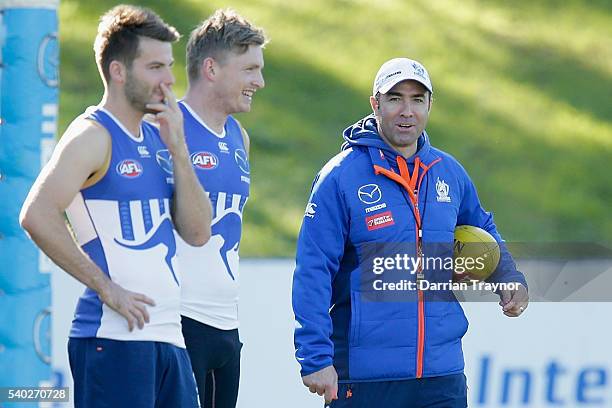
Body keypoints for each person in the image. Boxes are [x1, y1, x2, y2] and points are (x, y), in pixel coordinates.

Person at [292, 58, 529, 407]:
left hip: (441, 375)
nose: (407, 111)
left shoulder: (449, 172)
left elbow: (483, 228)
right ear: (375, 104)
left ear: (430, 105)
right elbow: (313, 270)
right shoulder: (340, 177)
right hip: (365, 376)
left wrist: (508, 277)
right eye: (395, 99)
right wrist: (315, 358)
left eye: (417, 99)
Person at [19, 5, 212, 407]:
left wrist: (179, 148)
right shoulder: (92, 134)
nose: (169, 80)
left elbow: (197, 233)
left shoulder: (160, 136)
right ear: (119, 71)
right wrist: (107, 289)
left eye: (169, 66)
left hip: (168, 341)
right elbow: (36, 214)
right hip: (113, 340)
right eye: (155, 66)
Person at [176, 9, 266, 408]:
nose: (259, 82)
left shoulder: (238, 136)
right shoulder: (165, 126)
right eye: (249, 69)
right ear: (211, 68)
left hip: (227, 327)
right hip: (178, 324)